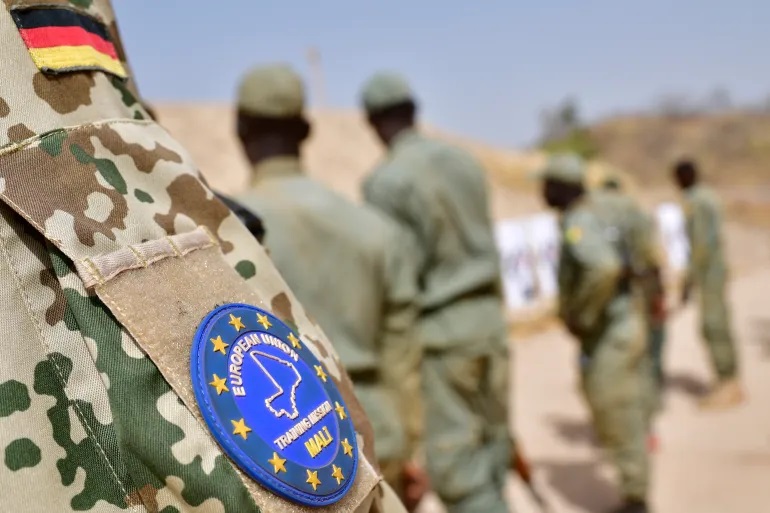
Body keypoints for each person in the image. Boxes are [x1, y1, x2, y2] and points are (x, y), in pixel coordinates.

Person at [0, 3, 407, 512]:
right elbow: (406, 336)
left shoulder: (227, 225)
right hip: (366, 423)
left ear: (239, 131)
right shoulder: (363, 225)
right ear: (306, 129)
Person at [232, 65, 426, 510]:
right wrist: (411, 445)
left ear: (240, 130)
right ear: (306, 130)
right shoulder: (376, 229)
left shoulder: (227, 237)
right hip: (379, 431)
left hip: (290, 454)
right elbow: (404, 354)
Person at [360, 71, 511, 513]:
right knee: (494, 448)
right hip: (488, 322)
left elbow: (400, 280)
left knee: (460, 474)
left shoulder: (385, 182)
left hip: (442, 335)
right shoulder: (464, 161)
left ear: (373, 123)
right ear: (413, 110)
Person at [538, 154, 651, 513]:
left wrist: (582, 314)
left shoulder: (578, 221)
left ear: (559, 187)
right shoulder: (592, 211)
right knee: (612, 406)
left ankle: (636, 496)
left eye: (546, 184)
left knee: (617, 411)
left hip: (610, 332)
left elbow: (603, 267)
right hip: (617, 328)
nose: (542, 192)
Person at [672, 159, 743, 409]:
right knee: (717, 322)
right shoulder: (706, 196)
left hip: (709, 271)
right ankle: (730, 380)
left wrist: (688, 281)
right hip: (715, 268)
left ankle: (728, 382)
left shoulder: (696, 201)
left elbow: (701, 244)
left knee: (713, 325)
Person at [595, 175, 667, 419]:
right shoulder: (638, 216)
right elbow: (653, 258)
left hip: (626, 292)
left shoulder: (599, 220)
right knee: (648, 349)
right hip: (643, 286)